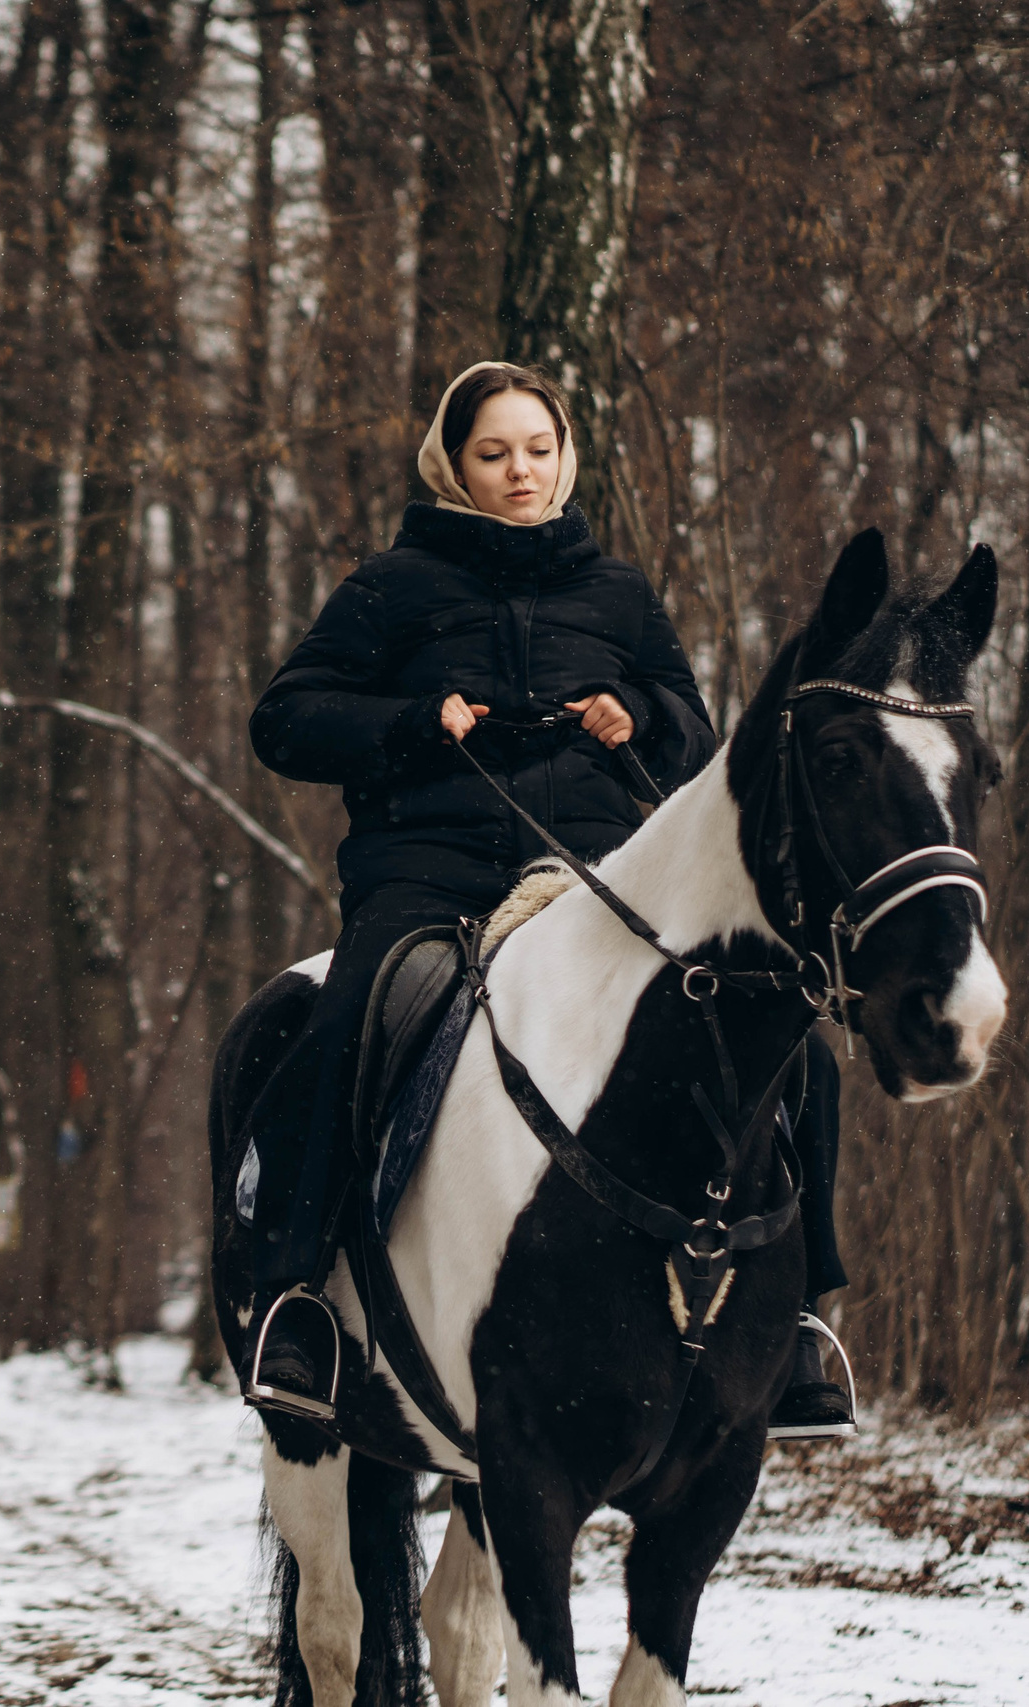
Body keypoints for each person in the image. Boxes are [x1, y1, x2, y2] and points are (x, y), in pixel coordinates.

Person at [240, 360, 853, 1437]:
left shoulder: (615, 591)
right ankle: (299, 1305)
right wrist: (412, 722)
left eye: (535, 450)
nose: (517, 472)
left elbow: (698, 740)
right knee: (343, 1019)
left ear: (563, 457)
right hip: (426, 874)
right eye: (492, 453)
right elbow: (285, 720)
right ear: (453, 464)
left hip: (592, 880)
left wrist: (639, 715)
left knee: (786, 1031)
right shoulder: (390, 586)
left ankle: (803, 1317)